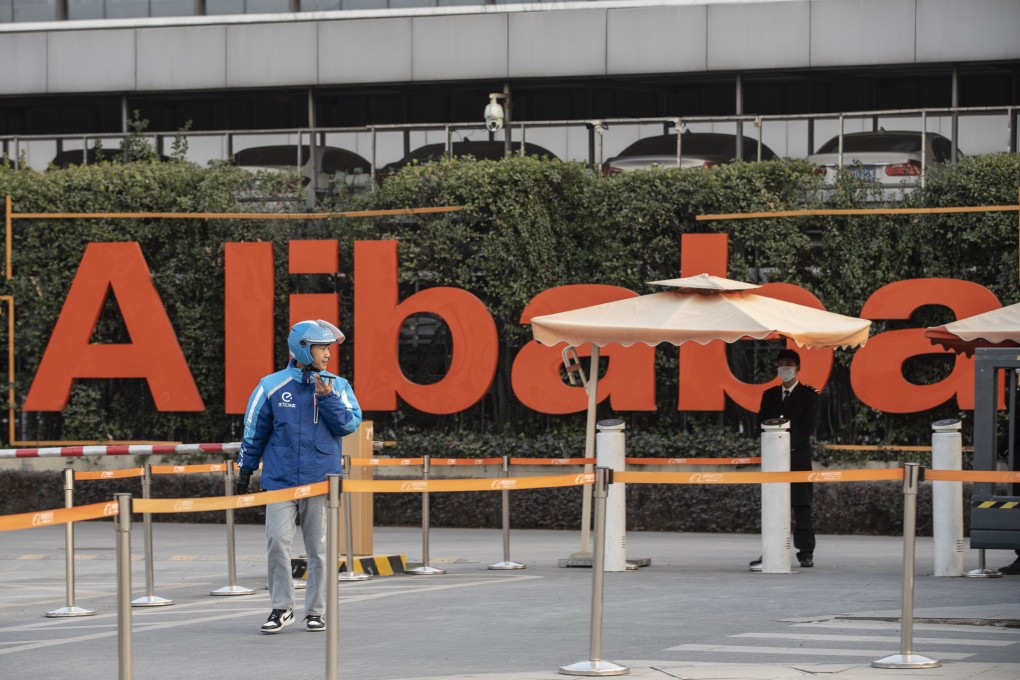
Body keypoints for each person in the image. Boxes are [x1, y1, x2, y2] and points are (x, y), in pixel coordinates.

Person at [236, 319, 362, 634]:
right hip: (280, 480)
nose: (328, 355)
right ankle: (281, 608)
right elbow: (254, 431)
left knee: (319, 549)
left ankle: (315, 611)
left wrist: (328, 398)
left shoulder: (338, 385)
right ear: (302, 348)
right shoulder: (270, 385)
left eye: (329, 348)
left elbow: (349, 425)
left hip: (321, 480)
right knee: (277, 542)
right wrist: (246, 469)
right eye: (322, 348)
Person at [750, 348, 819, 571]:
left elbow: (807, 428)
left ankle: (805, 552)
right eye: (781, 364)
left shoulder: (809, 395)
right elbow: (760, 424)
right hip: (773, 462)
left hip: (797, 459)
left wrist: (783, 445)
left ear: (798, 368)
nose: (785, 368)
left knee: (802, 507)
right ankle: (771, 550)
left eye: (789, 364)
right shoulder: (769, 395)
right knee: (774, 506)